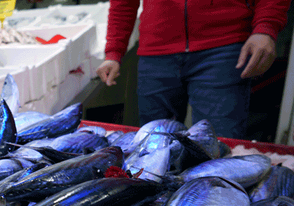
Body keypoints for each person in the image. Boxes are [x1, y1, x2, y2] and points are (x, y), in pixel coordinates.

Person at [96, 0, 290, 139]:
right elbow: (123, 3)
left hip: (223, 45)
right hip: (156, 50)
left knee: (218, 143)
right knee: (153, 143)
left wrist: (266, 27)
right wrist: (114, 51)